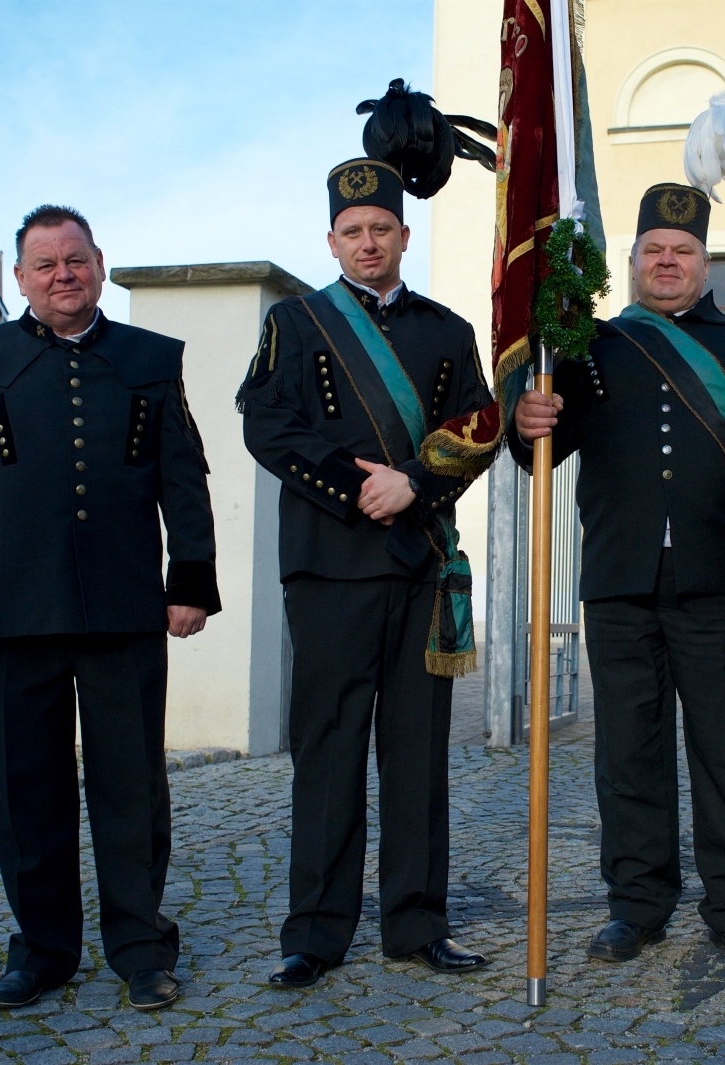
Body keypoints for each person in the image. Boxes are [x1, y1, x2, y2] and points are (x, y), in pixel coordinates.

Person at [0, 204, 221, 1012]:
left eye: (76, 260)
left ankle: (141, 948)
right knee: (27, 792)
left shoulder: (151, 359)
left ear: (100, 264)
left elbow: (183, 476)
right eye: (46, 264)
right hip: (16, 611)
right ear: (20, 277)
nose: (63, 275)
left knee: (132, 789)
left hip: (126, 608)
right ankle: (43, 951)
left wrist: (190, 582)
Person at [237, 158, 495, 990]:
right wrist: (359, 490)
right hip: (329, 566)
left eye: (381, 228)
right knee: (329, 750)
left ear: (404, 235)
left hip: (420, 567)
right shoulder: (297, 323)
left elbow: (480, 426)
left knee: (417, 755)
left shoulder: (447, 330)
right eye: (352, 232)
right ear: (331, 240)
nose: (368, 243)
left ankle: (417, 923)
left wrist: (413, 482)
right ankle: (314, 933)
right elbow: (268, 426)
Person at [512, 183, 725, 970]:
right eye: (653, 250)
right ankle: (636, 903)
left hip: (720, 579)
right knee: (628, 752)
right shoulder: (587, 344)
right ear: (631, 261)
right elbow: (539, 447)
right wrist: (525, 416)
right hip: (619, 580)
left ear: (705, 261)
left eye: (683, 251)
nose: (668, 262)